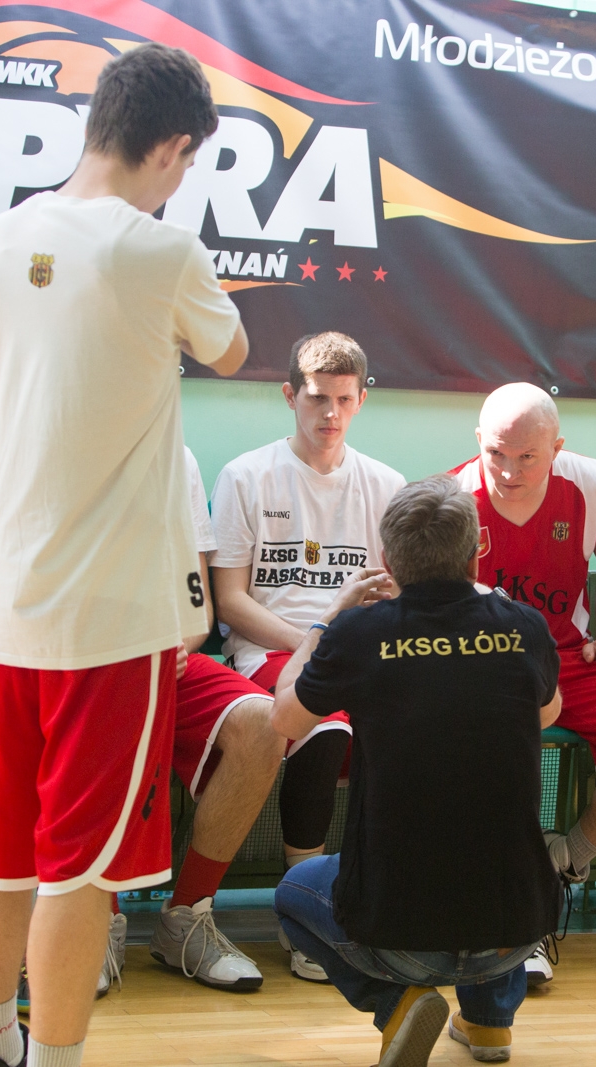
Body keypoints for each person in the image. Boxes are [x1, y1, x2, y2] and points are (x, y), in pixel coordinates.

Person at [0, 43, 247, 1067]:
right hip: (107, 618)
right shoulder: (156, 248)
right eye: (188, 162)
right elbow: (234, 348)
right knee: (77, 871)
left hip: (2, 610)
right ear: (172, 147)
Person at [270, 475, 563, 1067]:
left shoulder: (359, 633)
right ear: (478, 546)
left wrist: (329, 616)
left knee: (290, 894)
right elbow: (550, 711)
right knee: (491, 835)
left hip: (398, 936)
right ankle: (488, 1026)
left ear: (386, 557)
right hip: (520, 932)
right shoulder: (523, 625)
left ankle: (399, 1005)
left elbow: (285, 717)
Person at [451, 383, 596, 986]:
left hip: (568, 654)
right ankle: (513, 918)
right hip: (488, 665)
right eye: (497, 453)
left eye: (526, 457)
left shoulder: (594, 485)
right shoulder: (451, 499)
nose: (507, 470)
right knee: (503, 744)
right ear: (479, 440)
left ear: (557, 448)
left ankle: (565, 861)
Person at [210, 331, 404, 981]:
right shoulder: (246, 475)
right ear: (290, 395)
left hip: (359, 655)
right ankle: (305, 917)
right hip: (269, 649)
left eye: (344, 400)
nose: (331, 415)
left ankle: (397, 902)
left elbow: (393, 597)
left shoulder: (385, 484)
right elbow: (230, 599)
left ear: (361, 400)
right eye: (318, 398)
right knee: (325, 719)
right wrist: (317, 643)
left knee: (427, 719)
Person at [149, 447, 282, 992]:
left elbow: (197, 602)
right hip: (82, 666)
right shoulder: (51, 438)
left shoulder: (176, 458)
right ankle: (96, 919)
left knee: (266, 722)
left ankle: (186, 917)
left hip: (168, 658)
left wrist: (175, 645)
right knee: (115, 721)